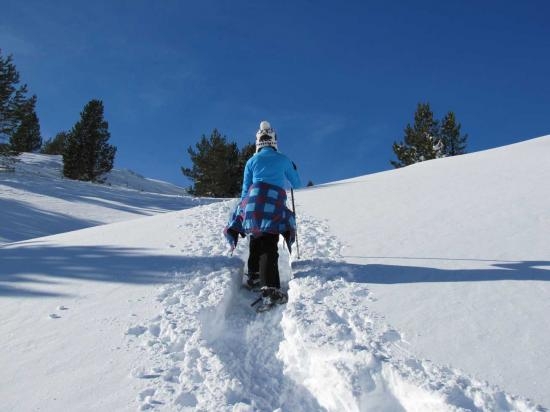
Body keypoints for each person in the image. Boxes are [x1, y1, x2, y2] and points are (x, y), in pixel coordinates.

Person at [224, 120, 301, 304]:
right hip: (272, 202)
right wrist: (293, 169)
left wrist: (242, 210)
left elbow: (245, 189)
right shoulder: (283, 159)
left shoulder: (251, 161)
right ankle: (270, 288)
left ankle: (254, 276)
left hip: (252, 203)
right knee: (269, 243)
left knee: (256, 238)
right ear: (274, 140)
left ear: (258, 141)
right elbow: (296, 183)